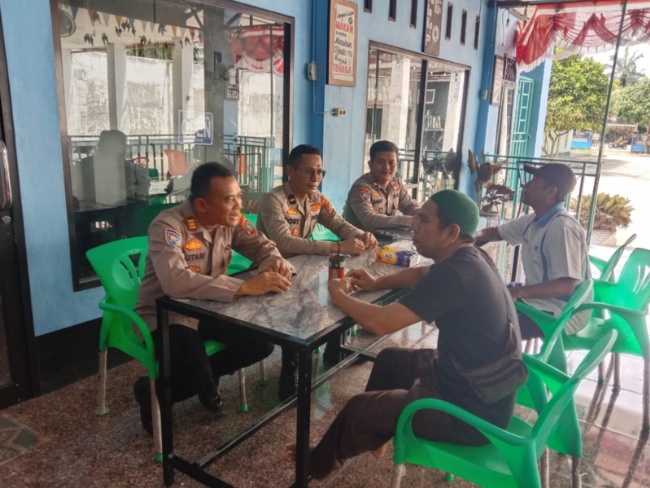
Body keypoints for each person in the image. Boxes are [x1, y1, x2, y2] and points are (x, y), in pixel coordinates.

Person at [285, 190, 524, 480]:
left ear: (451, 232)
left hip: (472, 415)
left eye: (423, 220)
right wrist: (376, 282)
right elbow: (422, 275)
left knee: (360, 408)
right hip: (473, 383)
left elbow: (380, 322)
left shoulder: (457, 274)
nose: (414, 225)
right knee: (390, 359)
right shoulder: (470, 257)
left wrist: (338, 295)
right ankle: (377, 437)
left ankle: (316, 464)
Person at [133, 162, 294, 435]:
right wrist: (244, 286)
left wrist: (274, 262)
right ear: (202, 204)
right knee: (195, 376)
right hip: (166, 313)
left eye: (239, 196)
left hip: (212, 307)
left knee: (261, 344)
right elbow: (174, 281)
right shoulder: (168, 225)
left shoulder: (231, 220)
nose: (239, 205)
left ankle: (208, 377)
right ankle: (150, 392)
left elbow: (262, 246)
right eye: (230, 199)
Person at [256, 144, 378, 399]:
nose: (316, 178)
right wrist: (337, 246)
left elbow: (339, 224)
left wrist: (362, 235)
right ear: (290, 171)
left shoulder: (316, 199)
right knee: (296, 308)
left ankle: (335, 347)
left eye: (320, 172)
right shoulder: (273, 200)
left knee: (337, 288)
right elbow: (284, 243)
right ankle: (289, 369)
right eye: (309, 171)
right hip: (274, 270)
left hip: (306, 267)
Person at [474, 163, 591, 340]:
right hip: (539, 300)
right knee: (482, 297)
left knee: (486, 326)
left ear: (551, 192)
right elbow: (496, 232)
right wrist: (470, 238)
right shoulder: (533, 220)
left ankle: (493, 355)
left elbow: (565, 286)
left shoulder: (562, 228)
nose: (525, 185)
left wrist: (518, 292)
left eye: (534, 183)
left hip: (562, 312)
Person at [343, 140, 420, 231]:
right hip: (358, 238)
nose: (386, 167)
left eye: (391, 163)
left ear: (397, 165)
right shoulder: (361, 188)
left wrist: (424, 216)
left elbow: (409, 206)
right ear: (370, 165)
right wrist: (410, 221)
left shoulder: (396, 184)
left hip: (387, 237)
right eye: (380, 162)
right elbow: (369, 220)